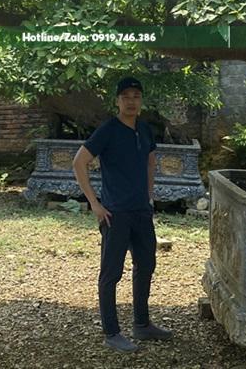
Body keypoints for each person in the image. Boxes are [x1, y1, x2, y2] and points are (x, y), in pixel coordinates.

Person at [72, 76, 173, 353]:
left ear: (141, 101)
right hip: (114, 213)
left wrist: (149, 195)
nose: (131, 101)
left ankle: (141, 324)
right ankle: (112, 331)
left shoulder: (145, 128)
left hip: (141, 211)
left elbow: (151, 161)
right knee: (111, 273)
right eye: (126, 96)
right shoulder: (108, 130)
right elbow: (79, 162)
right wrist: (94, 203)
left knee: (146, 266)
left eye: (136, 96)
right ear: (117, 101)